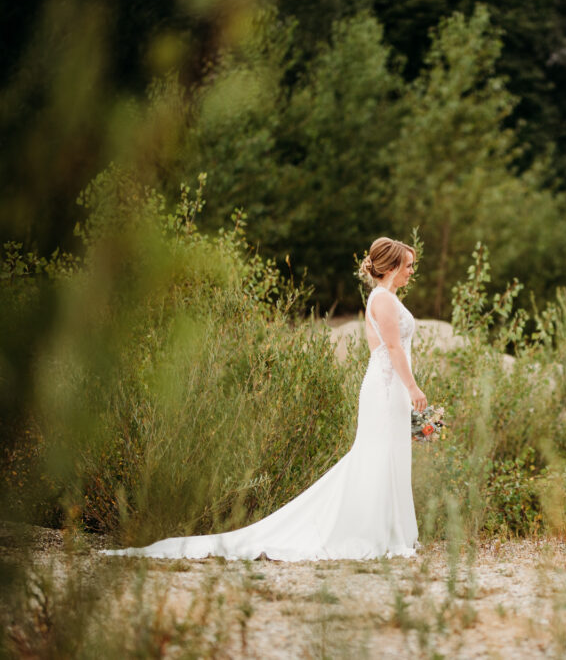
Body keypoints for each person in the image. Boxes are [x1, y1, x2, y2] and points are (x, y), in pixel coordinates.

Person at [101, 237, 426, 561]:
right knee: (376, 455)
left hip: (391, 387)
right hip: (386, 388)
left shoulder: (387, 298)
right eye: (409, 265)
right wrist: (412, 388)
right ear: (393, 267)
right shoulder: (382, 300)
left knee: (388, 455)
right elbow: (393, 348)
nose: (413, 270)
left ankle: (389, 529)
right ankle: (372, 532)